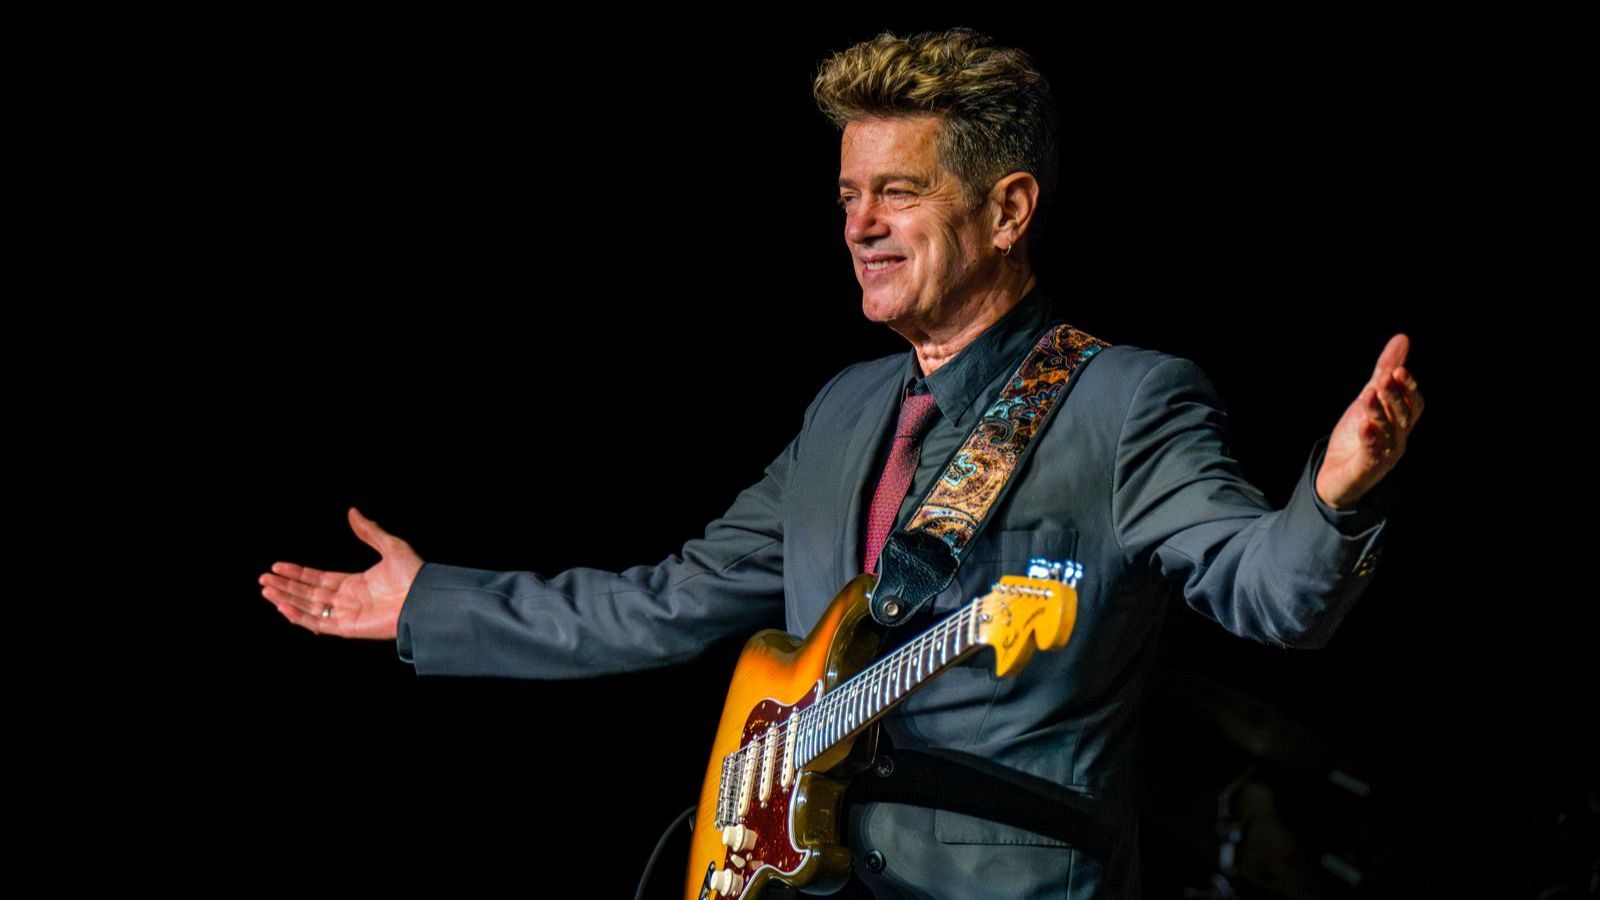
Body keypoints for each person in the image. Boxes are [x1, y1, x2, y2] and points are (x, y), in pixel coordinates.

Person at [258, 28, 1422, 899]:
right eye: (848, 196)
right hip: (800, 878)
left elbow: (1265, 593)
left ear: (1009, 210)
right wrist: (433, 604)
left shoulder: (1123, 399)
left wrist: (1329, 495)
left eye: (899, 194)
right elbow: (665, 602)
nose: (860, 224)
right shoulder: (842, 411)